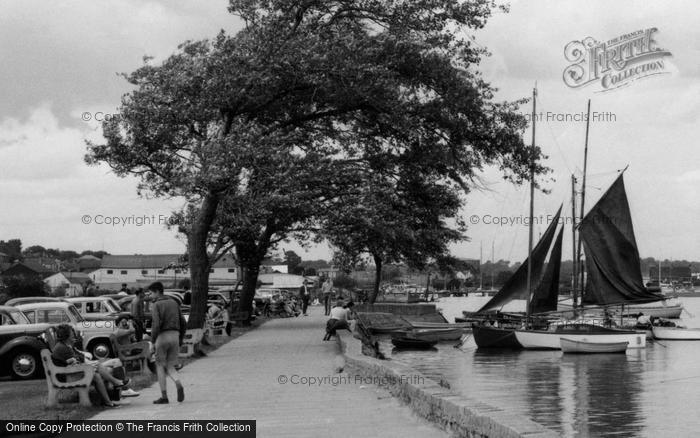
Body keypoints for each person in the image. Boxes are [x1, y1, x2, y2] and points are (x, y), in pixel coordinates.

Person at [51, 324, 125, 408]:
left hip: (69, 372)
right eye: (71, 333)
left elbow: (77, 360)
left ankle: (109, 400)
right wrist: (83, 362)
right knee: (96, 370)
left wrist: (80, 359)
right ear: (66, 335)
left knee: (97, 371)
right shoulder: (63, 348)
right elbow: (77, 361)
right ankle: (115, 386)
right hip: (65, 377)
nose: (73, 334)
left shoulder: (65, 345)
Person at [149, 281, 186, 404]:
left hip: (162, 336)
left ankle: (164, 396)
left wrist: (153, 340)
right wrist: (181, 337)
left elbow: (156, 324)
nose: (150, 295)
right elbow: (183, 322)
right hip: (175, 335)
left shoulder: (156, 305)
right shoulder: (174, 302)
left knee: (159, 365)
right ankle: (178, 383)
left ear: (157, 291)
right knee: (170, 365)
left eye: (151, 293)